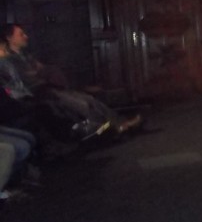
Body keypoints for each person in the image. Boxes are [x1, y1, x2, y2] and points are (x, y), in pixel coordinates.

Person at [0, 24, 141, 141]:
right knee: (82, 105)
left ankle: (119, 123)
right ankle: (104, 131)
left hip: (50, 88)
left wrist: (43, 73)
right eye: (21, 34)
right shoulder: (9, 60)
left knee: (90, 99)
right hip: (40, 93)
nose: (26, 37)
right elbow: (27, 79)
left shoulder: (26, 56)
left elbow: (42, 70)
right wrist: (41, 75)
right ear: (9, 38)